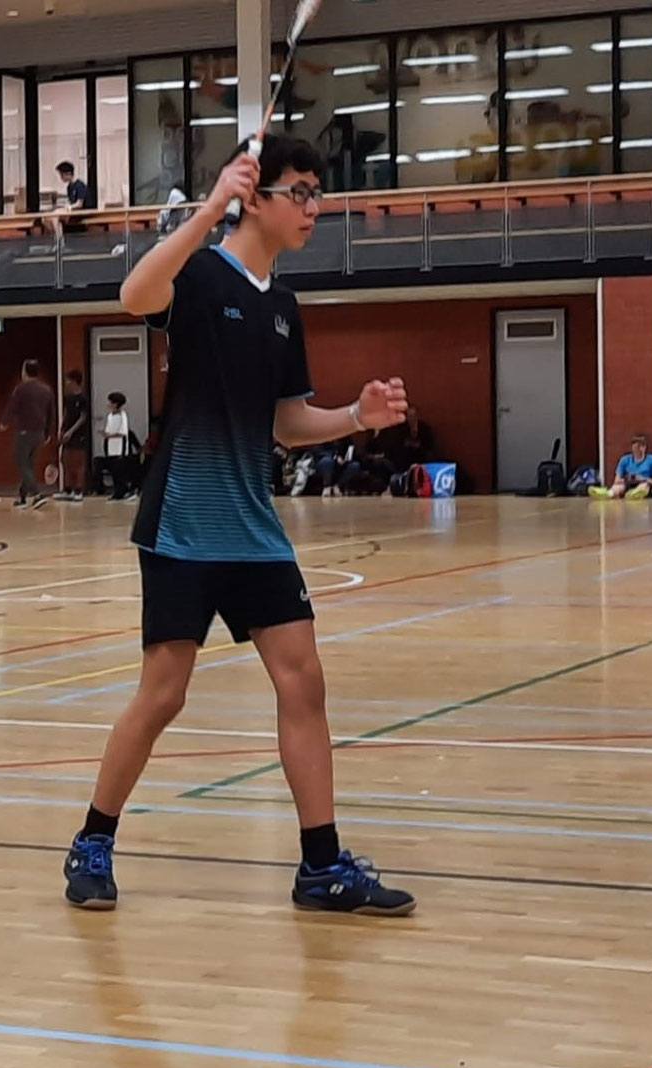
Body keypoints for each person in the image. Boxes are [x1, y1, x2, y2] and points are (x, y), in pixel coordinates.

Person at [61, 134, 417, 917]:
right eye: (301, 192)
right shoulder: (195, 275)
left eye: (320, 193)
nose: (314, 208)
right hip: (185, 516)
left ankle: (320, 865)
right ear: (254, 197)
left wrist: (356, 417)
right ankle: (92, 841)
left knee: (305, 680)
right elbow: (133, 293)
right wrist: (206, 207)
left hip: (252, 523)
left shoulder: (283, 309)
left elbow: (287, 424)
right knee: (163, 694)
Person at [0, 359, 55, 509]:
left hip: (25, 431)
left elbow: (13, 407)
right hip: (40, 433)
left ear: (24, 372)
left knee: (21, 461)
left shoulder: (21, 389)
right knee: (29, 464)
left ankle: (37, 494)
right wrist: (48, 432)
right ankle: (22, 497)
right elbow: (51, 412)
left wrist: (4, 422)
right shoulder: (47, 390)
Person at [589, 434, 652, 499]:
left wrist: (643, 478)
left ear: (645, 447)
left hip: (644, 483)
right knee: (618, 486)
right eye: (636, 446)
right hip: (627, 484)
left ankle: (634, 494)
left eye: (641, 446)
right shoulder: (624, 459)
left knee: (644, 486)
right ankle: (607, 494)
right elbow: (616, 480)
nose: (638, 448)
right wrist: (627, 479)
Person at [57, 369, 90, 501]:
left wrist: (71, 431)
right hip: (67, 434)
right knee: (66, 461)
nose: (66, 382)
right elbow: (65, 414)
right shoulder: (68, 397)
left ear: (75, 381)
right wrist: (61, 429)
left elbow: (83, 418)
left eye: (68, 380)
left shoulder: (83, 398)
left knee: (78, 463)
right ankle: (68, 489)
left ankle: (78, 491)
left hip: (78, 435)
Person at [101, 391, 137, 501]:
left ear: (116, 404)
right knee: (114, 472)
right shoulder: (110, 416)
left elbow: (123, 432)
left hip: (120, 448)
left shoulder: (123, 415)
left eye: (110, 402)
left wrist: (110, 435)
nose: (108, 404)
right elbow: (108, 430)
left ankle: (128, 491)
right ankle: (118, 492)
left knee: (121, 472)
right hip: (110, 447)